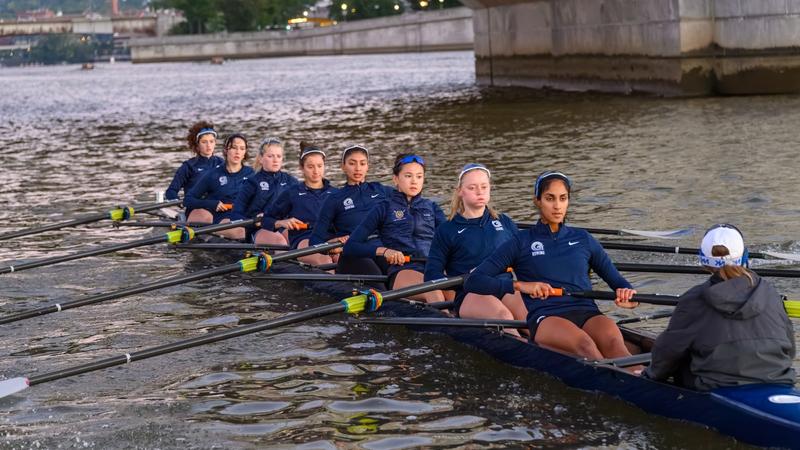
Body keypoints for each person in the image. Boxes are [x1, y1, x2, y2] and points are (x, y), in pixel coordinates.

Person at [464, 170, 638, 359]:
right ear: (537, 201)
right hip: (547, 317)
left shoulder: (583, 239)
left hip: (587, 312)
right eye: (550, 198)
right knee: (586, 346)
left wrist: (628, 295)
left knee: (616, 345)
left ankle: (639, 378)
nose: (557, 206)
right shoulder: (520, 242)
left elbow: (618, 282)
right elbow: (473, 281)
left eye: (563, 199)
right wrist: (519, 285)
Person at [644, 224, 796, 390]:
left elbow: (669, 351)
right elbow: (789, 347)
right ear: (745, 256)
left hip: (716, 385)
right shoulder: (770, 291)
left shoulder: (694, 299)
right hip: (777, 379)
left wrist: (649, 376)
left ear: (703, 260)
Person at [424, 163, 527, 337]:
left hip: (503, 285)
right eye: (472, 187)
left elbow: (525, 261)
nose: (479, 192)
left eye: (484, 187)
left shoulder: (504, 222)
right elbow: (431, 274)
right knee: (504, 317)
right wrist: (458, 283)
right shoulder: (447, 230)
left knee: (533, 316)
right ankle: (522, 348)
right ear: (460, 191)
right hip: (471, 292)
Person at [344, 153, 446, 303]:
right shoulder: (383, 208)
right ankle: (448, 323)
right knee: (433, 290)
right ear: (396, 179)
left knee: (460, 293)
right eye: (408, 176)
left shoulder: (432, 207)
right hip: (403, 271)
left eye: (419, 176)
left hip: (432, 268)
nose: (414, 181)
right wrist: (384, 251)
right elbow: (350, 247)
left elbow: (451, 242)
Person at [309, 145, 389, 276]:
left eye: (362, 163)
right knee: (377, 276)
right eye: (352, 163)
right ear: (343, 166)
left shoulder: (382, 190)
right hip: (353, 252)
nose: (358, 168)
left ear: (367, 166)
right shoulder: (334, 199)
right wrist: (332, 244)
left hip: (382, 247)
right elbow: (315, 241)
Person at [258, 143, 338, 266]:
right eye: (310, 167)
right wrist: (281, 223)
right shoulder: (292, 193)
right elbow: (266, 220)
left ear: (324, 166)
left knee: (345, 259)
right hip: (305, 240)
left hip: (331, 240)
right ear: (302, 168)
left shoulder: (335, 193)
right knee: (325, 261)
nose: (316, 171)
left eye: (319, 166)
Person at [184, 133, 254, 240]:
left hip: (243, 216)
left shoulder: (251, 174)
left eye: (242, 149)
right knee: (240, 232)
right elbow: (188, 200)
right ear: (226, 150)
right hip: (222, 218)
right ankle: (212, 231)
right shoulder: (213, 174)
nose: (238, 152)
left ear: (245, 153)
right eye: (234, 148)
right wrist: (212, 204)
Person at [230, 137, 298, 241]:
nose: (275, 160)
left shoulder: (291, 181)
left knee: (296, 238)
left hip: (282, 225)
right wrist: (254, 220)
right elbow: (235, 214)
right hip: (258, 229)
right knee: (279, 240)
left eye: (278, 156)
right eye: (270, 156)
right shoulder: (252, 182)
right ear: (261, 159)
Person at [164, 121, 224, 213]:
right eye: (204, 142)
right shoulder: (188, 167)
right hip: (197, 210)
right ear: (197, 145)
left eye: (211, 141)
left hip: (219, 209)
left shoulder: (222, 164)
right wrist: (178, 202)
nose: (209, 145)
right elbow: (171, 191)